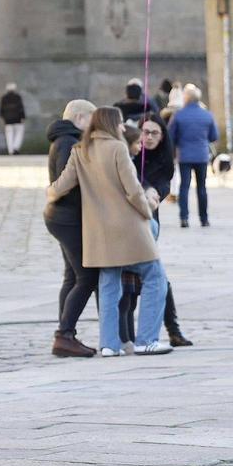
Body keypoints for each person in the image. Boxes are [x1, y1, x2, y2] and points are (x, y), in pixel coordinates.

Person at [46, 107, 172, 357]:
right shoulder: (117, 148)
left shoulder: (79, 150)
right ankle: (146, 339)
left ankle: (109, 345)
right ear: (111, 124)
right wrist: (147, 209)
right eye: (120, 124)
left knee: (109, 283)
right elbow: (133, 189)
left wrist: (49, 196)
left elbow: (59, 186)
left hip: (98, 232)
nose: (123, 128)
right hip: (127, 227)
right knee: (155, 277)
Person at [117, 116, 195, 348]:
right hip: (123, 224)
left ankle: (173, 329)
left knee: (157, 277)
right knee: (129, 282)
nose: (148, 137)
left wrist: (152, 191)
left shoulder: (164, 162)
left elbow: (161, 188)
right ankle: (126, 336)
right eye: (145, 132)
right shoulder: (126, 154)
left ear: (163, 137)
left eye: (154, 133)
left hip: (148, 224)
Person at [43, 99, 100, 358]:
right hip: (67, 217)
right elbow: (68, 179)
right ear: (79, 117)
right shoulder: (68, 141)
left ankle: (66, 334)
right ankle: (65, 334)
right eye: (91, 120)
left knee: (71, 275)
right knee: (87, 276)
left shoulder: (62, 138)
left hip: (60, 216)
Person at [168, 84, 219, 228]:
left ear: (186, 99)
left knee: (184, 186)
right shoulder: (207, 115)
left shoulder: (179, 115)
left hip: (184, 155)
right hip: (202, 155)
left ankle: (184, 218)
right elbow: (214, 136)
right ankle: (204, 218)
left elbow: (171, 136)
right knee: (202, 188)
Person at [0, 82, 26, 155]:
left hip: (7, 120)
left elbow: (1, 110)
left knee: (9, 135)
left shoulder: (3, 98)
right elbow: (21, 108)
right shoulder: (17, 97)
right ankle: (16, 148)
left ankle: (10, 150)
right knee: (19, 133)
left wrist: (3, 117)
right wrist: (23, 117)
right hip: (18, 119)